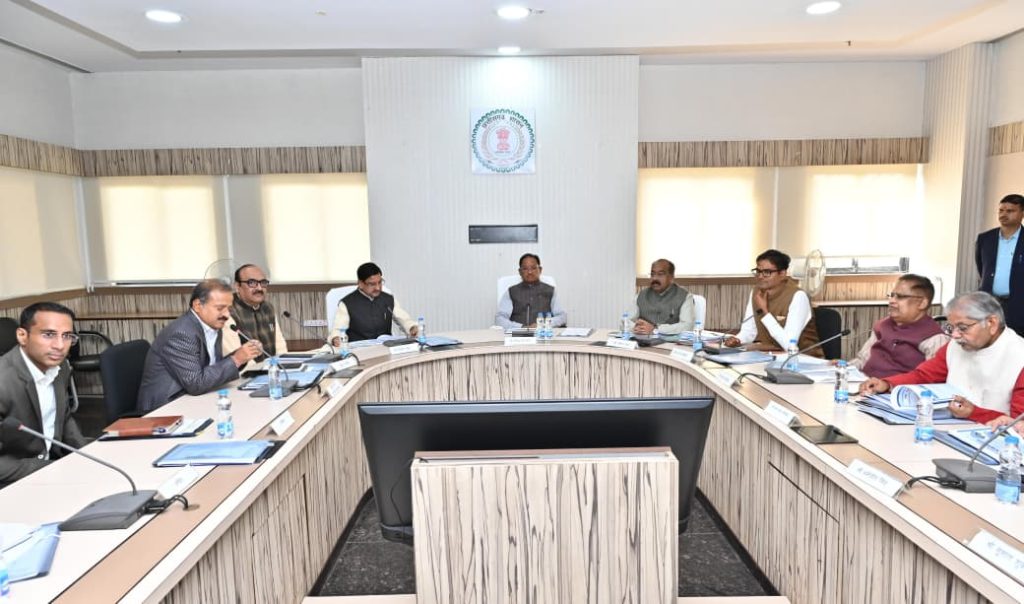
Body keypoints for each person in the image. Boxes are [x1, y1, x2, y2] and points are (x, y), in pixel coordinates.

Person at [859, 291, 1024, 427]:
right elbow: (924, 376)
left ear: (992, 323)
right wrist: (887, 384)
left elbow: (1019, 424)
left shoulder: (1019, 356)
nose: (955, 335)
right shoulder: (955, 345)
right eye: (951, 328)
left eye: (963, 328)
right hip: (949, 427)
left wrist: (974, 413)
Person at [137, 280, 263, 412]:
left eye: (229, 309)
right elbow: (195, 383)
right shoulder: (182, 333)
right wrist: (236, 359)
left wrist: (243, 355)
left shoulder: (212, 324)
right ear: (197, 305)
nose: (227, 315)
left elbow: (212, 368)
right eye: (220, 308)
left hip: (193, 397)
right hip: (165, 407)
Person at [0, 302, 87, 486]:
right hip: (12, 481)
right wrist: (52, 469)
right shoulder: (3, 380)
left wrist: (87, 455)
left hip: (51, 468)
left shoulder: (60, 367)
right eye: (49, 334)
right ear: (22, 336)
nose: (60, 345)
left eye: (67, 336)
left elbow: (63, 418)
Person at [723, 249, 821, 356]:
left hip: (803, 359)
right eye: (758, 271)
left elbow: (790, 345)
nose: (760, 276)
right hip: (770, 355)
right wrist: (738, 340)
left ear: (782, 273)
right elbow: (749, 331)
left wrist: (764, 312)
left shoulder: (798, 296)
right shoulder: (757, 292)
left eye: (767, 272)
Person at [848, 274, 948, 378]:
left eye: (900, 297)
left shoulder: (935, 338)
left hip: (897, 387)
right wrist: (843, 368)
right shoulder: (882, 326)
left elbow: (932, 378)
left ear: (922, 303)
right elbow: (862, 360)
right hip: (862, 383)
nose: (891, 301)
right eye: (892, 295)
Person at [329, 262, 419, 344]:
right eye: (372, 284)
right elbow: (338, 330)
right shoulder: (347, 304)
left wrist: (412, 328)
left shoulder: (388, 299)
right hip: (360, 351)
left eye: (380, 282)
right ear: (360, 283)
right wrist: (336, 338)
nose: (378, 288)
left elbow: (404, 320)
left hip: (386, 348)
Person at [975, 193, 1024, 337]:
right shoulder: (985, 238)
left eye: (1010, 211)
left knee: (1015, 345)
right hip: (989, 304)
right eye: (1001, 210)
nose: (1003, 214)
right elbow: (982, 268)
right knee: (987, 342)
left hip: (1018, 306)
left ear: (1022, 213)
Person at [221, 263, 288, 362]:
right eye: (252, 283)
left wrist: (284, 364)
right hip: (246, 370)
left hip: (273, 368)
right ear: (237, 286)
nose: (259, 288)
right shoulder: (227, 311)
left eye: (263, 283)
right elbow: (235, 356)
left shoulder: (268, 308)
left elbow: (279, 345)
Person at [495, 253, 567, 329]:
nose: (530, 272)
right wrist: (521, 327)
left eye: (533, 268)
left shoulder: (550, 291)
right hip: (519, 334)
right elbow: (500, 318)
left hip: (544, 332)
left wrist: (542, 325)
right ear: (520, 271)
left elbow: (562, 316)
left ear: (540, 270)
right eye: (525, 269)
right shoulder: (511, 292)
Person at [628, 259, 695, 335]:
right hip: (642, 339)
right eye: (652, 274)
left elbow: (688, 326)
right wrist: (636, 327)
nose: (654, 278)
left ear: (671, 277)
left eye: (660, 274)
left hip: (671, 341)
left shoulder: (684, 296)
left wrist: (656, 329)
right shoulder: (641, 295)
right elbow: (626, 320)